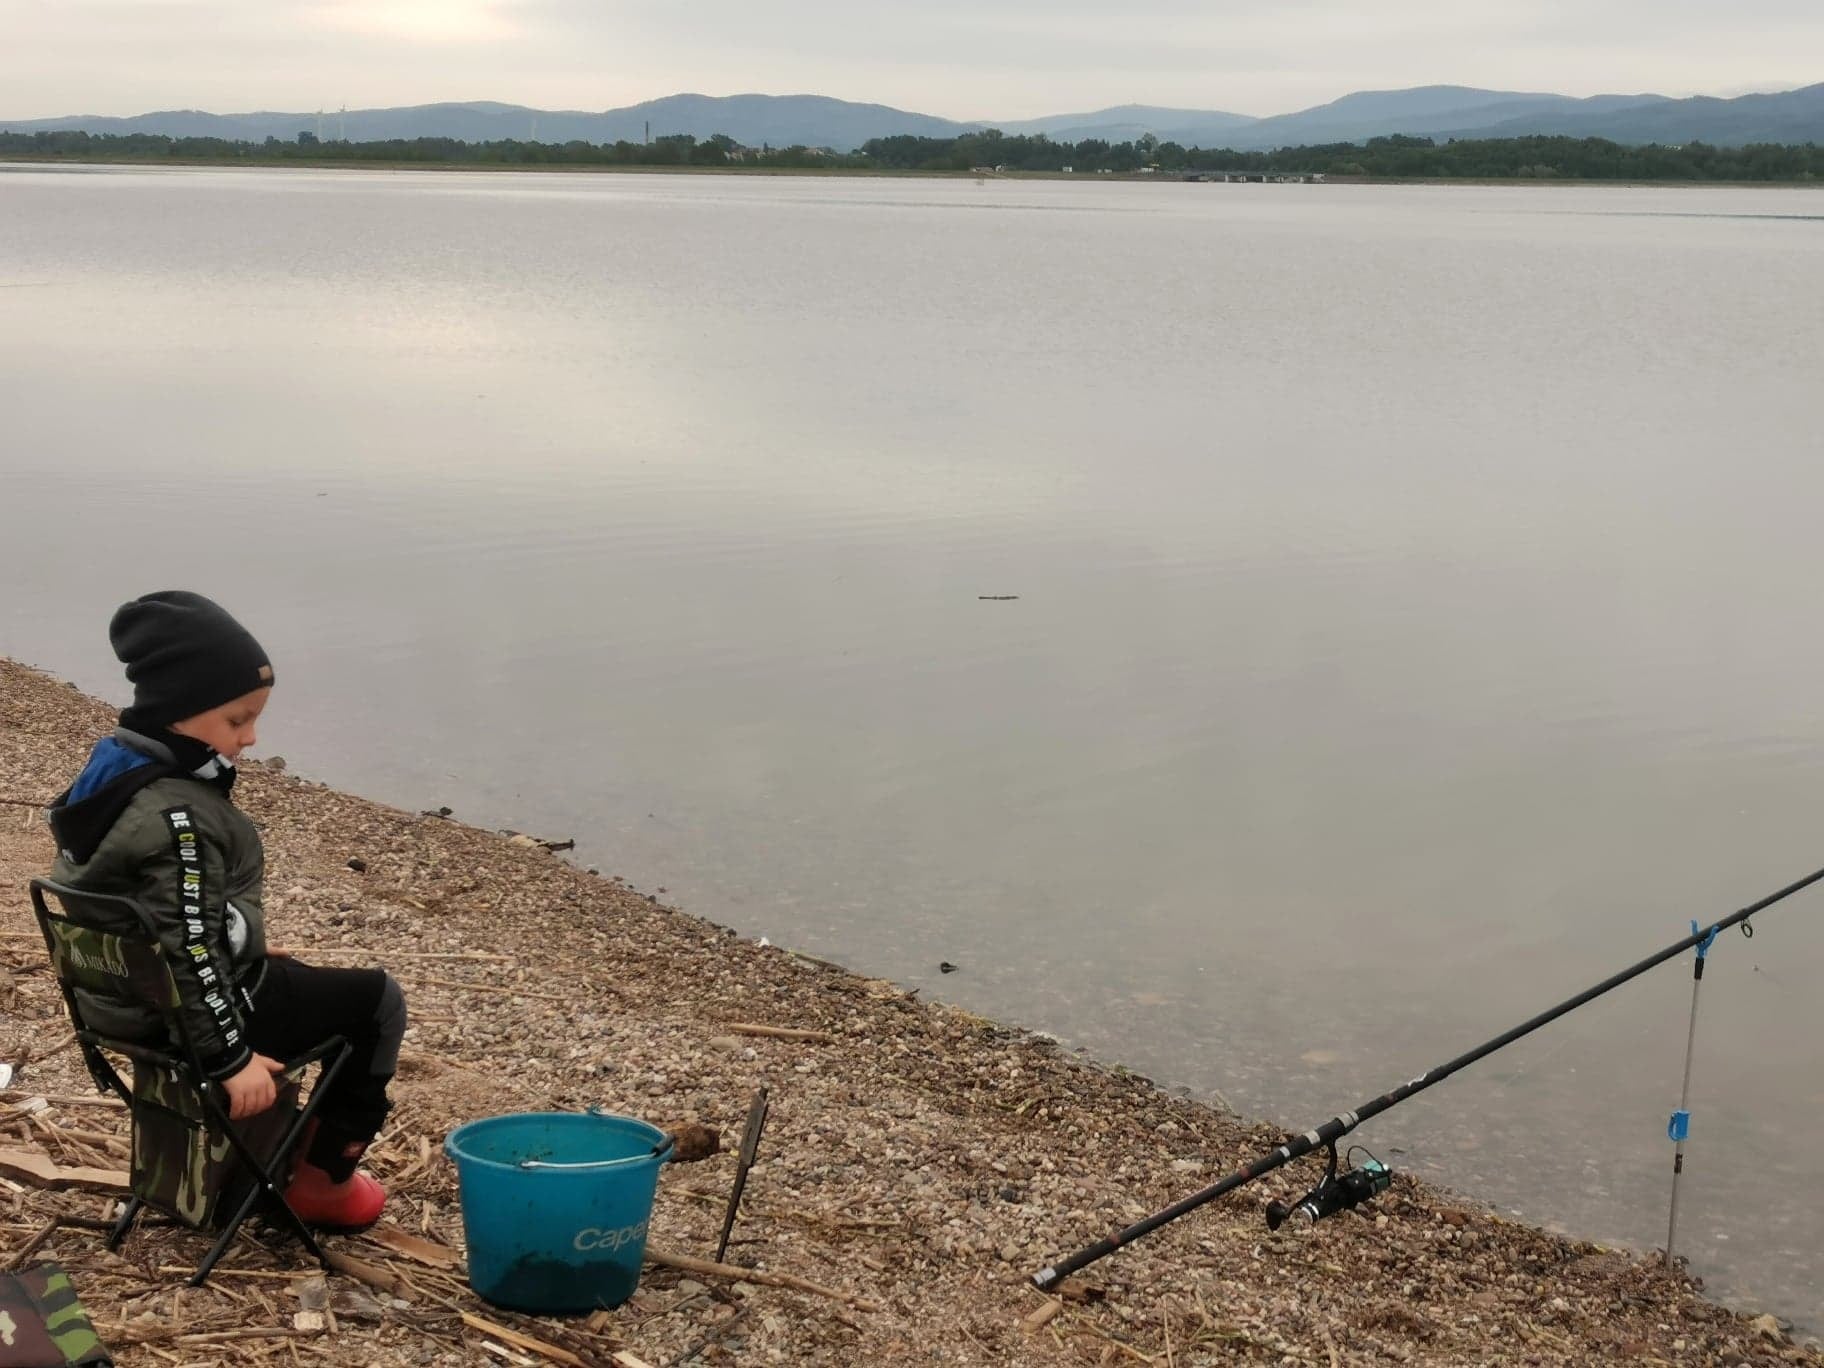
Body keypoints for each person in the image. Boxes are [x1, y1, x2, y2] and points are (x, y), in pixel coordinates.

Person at [45, 590, 405, 1230]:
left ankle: (285, 1156)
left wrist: (242, 942)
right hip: (182, 1021)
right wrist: (230, 1060)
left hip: (118, 1000)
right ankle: (324, 1182)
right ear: (179, 714)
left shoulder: (115, 772)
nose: (252, 736)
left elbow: (142, 914)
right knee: (377, 1002)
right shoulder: (180, 818)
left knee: (314, 985)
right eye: (237, 720)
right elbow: (184, 951)